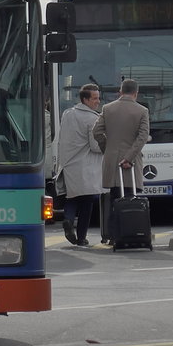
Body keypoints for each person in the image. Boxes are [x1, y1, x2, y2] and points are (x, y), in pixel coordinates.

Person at [93, 78, 151, 243]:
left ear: (120, 91)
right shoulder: (142, 111)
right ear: (136, 93)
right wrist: (129, 157)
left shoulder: (107, 108)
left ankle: (113, 235)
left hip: (112, 160)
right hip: (130, 163)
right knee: (131, 197)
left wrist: (108, 149)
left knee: (114, 198)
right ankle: (130, 232)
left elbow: (96, 132)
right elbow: (142, 137)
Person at [56, 84, 104, 246]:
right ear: (85, 99)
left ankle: (68, 220)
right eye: (95, 98)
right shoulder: (93, 119)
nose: (98, 101)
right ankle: (81, 237)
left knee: (72, 197)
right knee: (88, 201)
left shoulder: (67, 114)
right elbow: (95, 146)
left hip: (69, 164)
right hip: (86, 166)